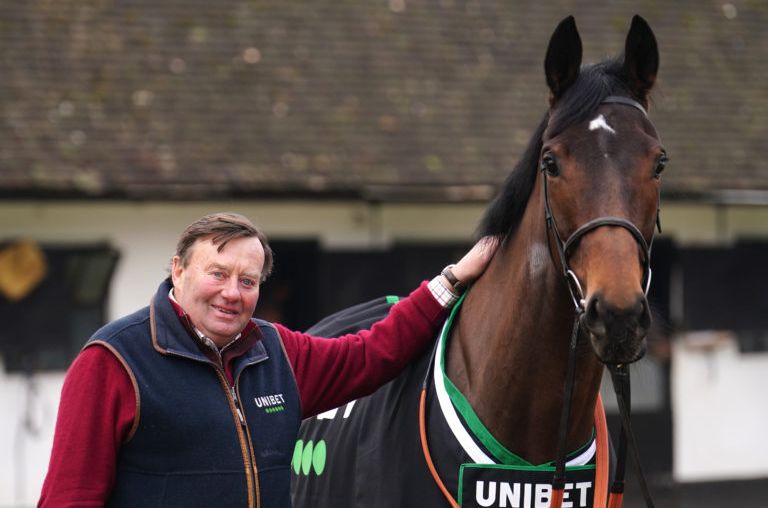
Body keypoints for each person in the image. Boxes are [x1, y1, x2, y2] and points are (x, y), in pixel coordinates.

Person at [38, 212, 498, 508]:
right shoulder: (113, 361)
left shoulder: (277, 353)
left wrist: (452, 281)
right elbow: (69, 498)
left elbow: (372, 353)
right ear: (178, 270)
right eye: (217, 274)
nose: (232, 293)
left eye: (248, 281)